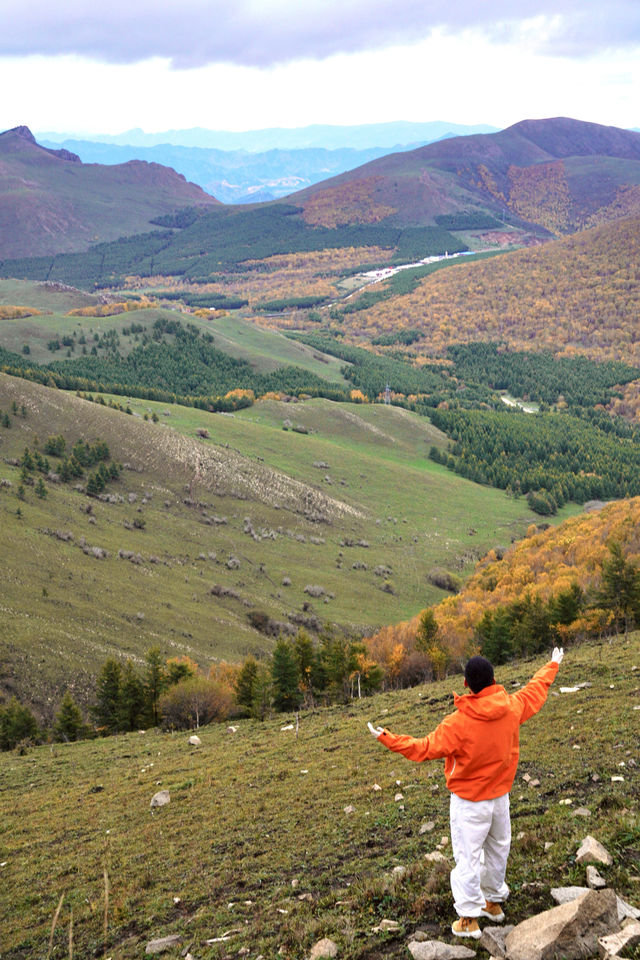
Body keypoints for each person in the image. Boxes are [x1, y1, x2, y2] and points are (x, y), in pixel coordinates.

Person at [367, 647, 564, 939]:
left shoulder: (457, 724)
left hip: (470, 803)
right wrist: (552, 665)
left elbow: (422, 749)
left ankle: (469, 920)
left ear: (466, 684)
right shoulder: (511, 706)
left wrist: (387, 738)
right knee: (498, 849)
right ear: (494, 680)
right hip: (500, 798)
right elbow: (535, 690)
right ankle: (493, 904)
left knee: (467, 859)